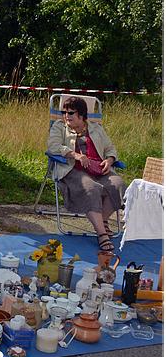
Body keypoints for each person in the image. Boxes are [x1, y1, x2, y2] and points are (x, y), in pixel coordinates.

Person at [47, 96, 125, 252]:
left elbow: (110, 148)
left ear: (82, 115)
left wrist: (109, 161)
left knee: (118, 184)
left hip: (98, 168)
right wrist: (76, 155)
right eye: (64, 112)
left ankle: (101, 220)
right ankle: (102, 234)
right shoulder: (59, 127)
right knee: (92, 188)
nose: (66, 116)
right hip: (72, 169)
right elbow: (53, 146)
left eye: (70, 113)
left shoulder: (96, 128)